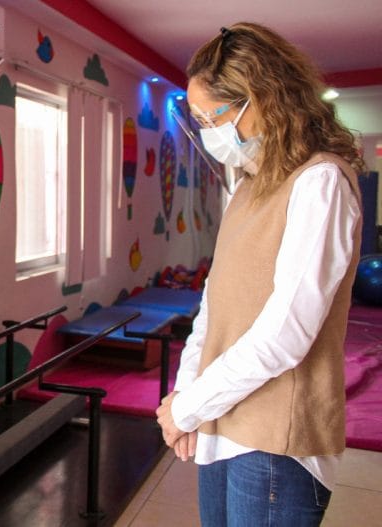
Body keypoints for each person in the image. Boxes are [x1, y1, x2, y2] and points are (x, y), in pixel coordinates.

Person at [156, 22, 364, 526]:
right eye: (199, 120)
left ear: (265, 99)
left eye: (214, 116)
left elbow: (286, 332)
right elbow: (213, 306)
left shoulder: (320, 182)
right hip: (222, 419)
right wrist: (186, 398)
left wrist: (189, 407)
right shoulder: (248, 185)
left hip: (276, 439)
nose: (209, 132)